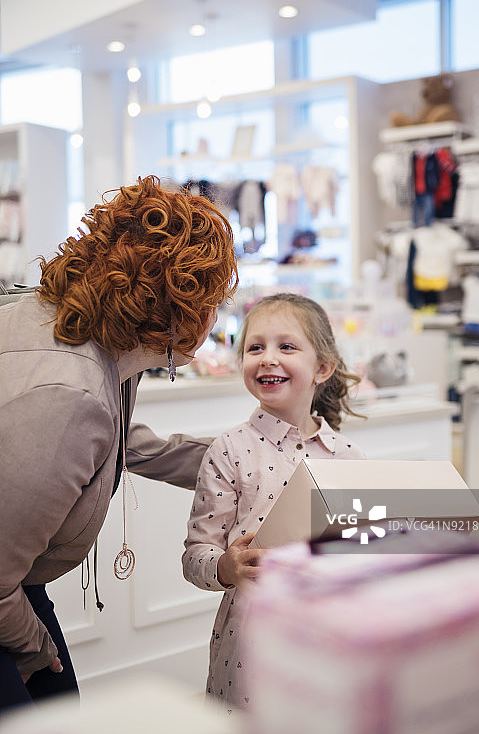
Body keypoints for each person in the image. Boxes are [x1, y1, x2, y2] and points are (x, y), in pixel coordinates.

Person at [0, 175, 238, 712]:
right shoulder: (69, 393)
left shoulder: (90, 336)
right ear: (183, 309)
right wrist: (35, 647)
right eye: (215, 301)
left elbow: (124, 443)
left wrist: (244, 461)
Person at [182, 292, 365, 712]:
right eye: (255, 347)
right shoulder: (228, 450)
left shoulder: (348, 456)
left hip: (330, 630)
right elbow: (196, 555)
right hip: (253, 638)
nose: (267, 358)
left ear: (323, 367)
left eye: (286, 346)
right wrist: (225, 567)